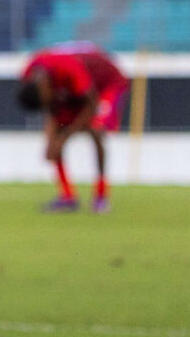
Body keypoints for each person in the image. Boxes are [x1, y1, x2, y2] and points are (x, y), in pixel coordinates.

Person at [18, 41, 127, 213]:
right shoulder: (29, 73)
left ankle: (101, 196)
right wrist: (51, 141)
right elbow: (50, 108)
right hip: (75, 88)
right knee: (55, 139)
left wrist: (64, 137)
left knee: (95, 129)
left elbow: (91, 104)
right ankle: (68, 196)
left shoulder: (67, 68)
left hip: (105, 84)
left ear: (43, 87)